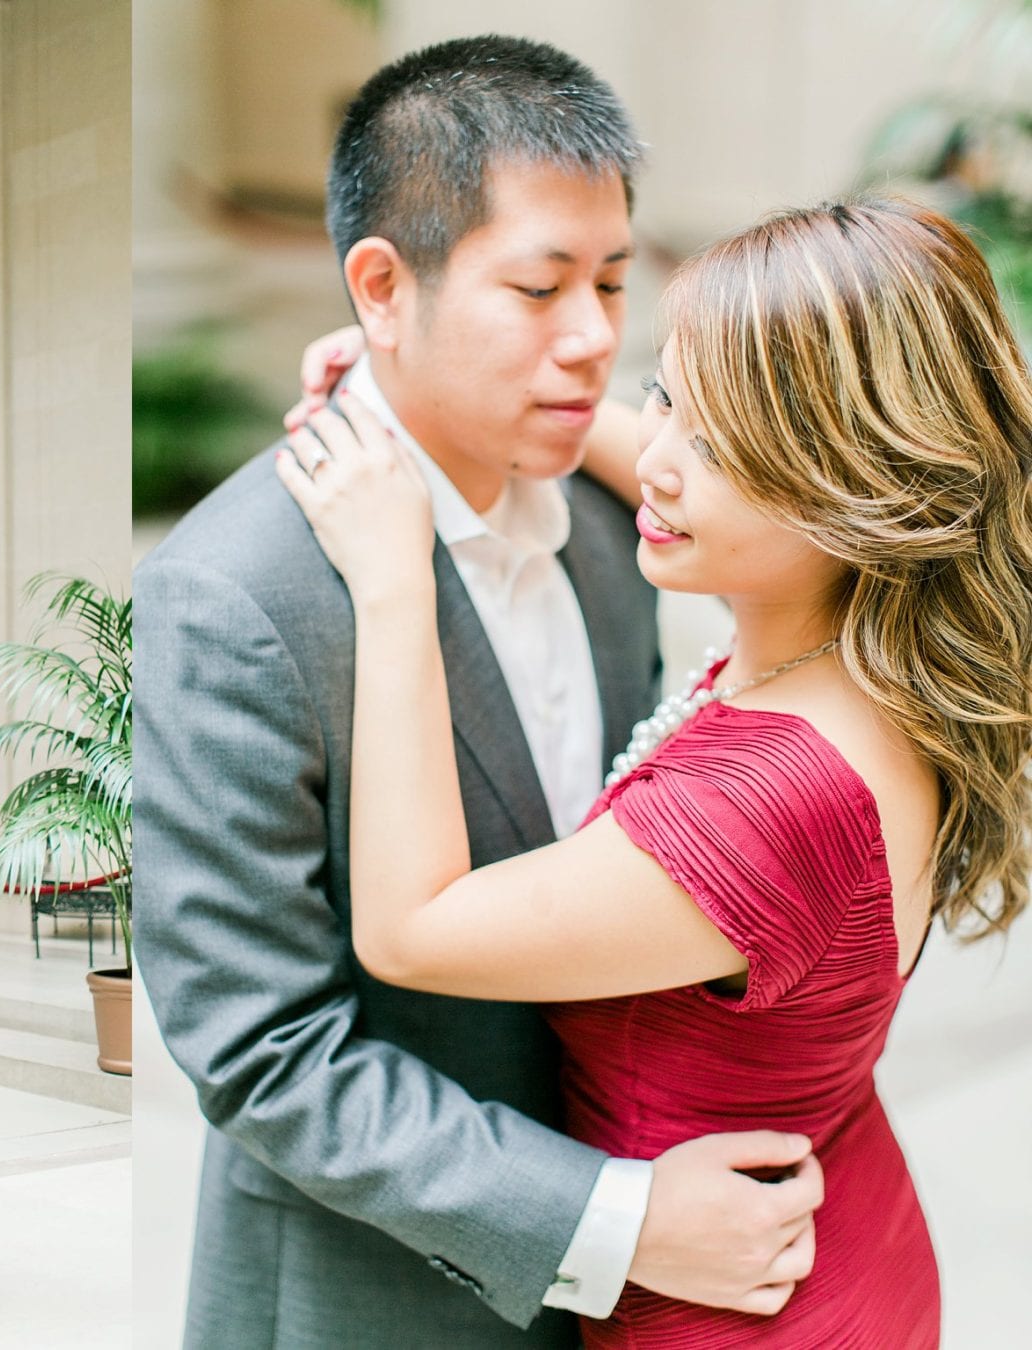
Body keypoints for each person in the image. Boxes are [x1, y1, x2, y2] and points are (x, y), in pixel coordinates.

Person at [134, 35, 823, 1349]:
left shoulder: (626, 524)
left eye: (616, 282)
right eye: (540, 287)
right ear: (383, 288)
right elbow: (262, 1050)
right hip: (369, 1298)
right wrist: (610, 1216)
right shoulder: (233, 595)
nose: (593, 339)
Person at [277, 194, 1032, 1346]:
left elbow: (411, 929)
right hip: (840, 1219)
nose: (663, 459)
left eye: (723, 446)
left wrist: (393, 576)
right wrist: (434, 386)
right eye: (665, 391)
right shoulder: (868, 647)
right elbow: (660, 462)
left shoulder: (772, 800)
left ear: (861, 491)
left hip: (739, 1313)